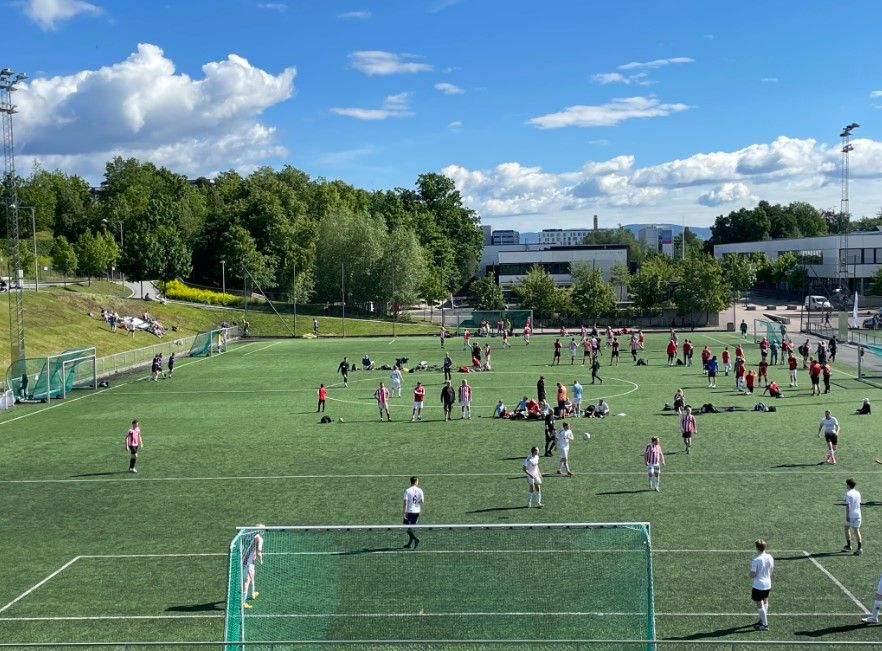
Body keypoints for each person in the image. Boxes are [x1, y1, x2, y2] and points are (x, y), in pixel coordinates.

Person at [750, 539, 774, 631]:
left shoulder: (756, 560)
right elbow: (771, 571)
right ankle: (762, 620)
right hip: (768, 583)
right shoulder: (770, 557)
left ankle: (764, 624)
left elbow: (753, 574)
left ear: (757, 548)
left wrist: (749, 575)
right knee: (765, 600)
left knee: (759, 603)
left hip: (758, 585)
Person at [241, 525, 265, 609]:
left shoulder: (247, 535)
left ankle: (253, 593)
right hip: (249, 562)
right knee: (247, 581)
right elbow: (259, 552)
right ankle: (243, 602)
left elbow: (243, 545)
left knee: (252, 575)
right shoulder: (259, 539)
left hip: (244, 559)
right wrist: (261, 560)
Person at [402, 476, 425, 549]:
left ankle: (416, 539)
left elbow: (405, 502)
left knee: (406, 527)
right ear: (416, 482)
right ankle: (409, 544)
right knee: (412, 528)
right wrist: (417, 502)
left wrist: (404, 512)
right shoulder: (420, 490)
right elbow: (422, 501)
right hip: (417, 511)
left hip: (409, 511)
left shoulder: (407, 490)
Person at [843, 478, 863, 556]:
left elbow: (848, 506)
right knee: (857, 531)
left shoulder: (847, 494)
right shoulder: (858, 493)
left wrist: (847, 516)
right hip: (858, 514)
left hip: (851, 515)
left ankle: (849, 546)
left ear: (848, 485)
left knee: (846, 528)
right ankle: (859, 548)